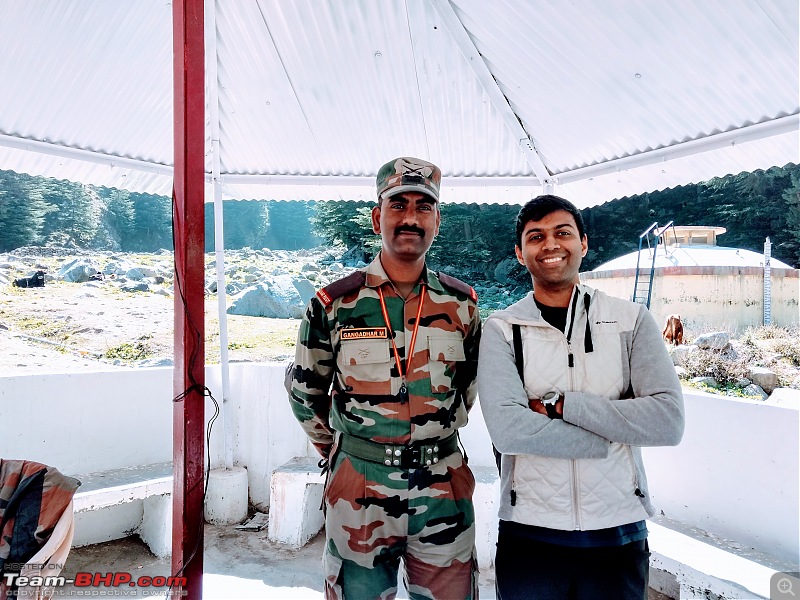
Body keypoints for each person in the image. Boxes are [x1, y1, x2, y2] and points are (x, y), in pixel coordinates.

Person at [288, 157, 482, 599]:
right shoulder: (334, 304)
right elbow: (305, 392)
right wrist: (346, 451)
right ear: (378, 218)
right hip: (359, 484)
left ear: (437, 220)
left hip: (443, 485)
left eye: (423, 206)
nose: (410, 217)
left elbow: (466, 389)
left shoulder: (462, 305)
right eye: (398, 205)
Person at [478, 194, 685, 600]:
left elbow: (667, 421)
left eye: (562, 233)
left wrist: (561, 406)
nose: (551, 245)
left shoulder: (632, 321)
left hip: (618, 530)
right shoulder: (503, 329)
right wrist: (612, 433)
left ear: (583, 243)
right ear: (520, 253)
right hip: (530, 530)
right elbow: (509, 430)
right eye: (536, 237)